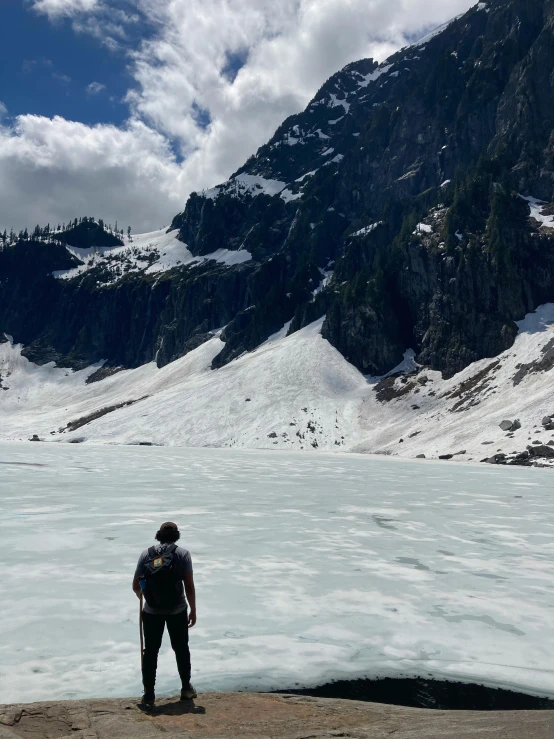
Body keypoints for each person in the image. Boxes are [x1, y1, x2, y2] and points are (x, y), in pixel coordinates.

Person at [133, 521, 197, 707]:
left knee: (151, 651)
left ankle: (149, 694)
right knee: (181, 649)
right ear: (176, 536)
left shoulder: (146, 554)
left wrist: (147, 594)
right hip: (177, 609)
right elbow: (189, 586)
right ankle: (186, 688)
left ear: (158, 535)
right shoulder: (183, 554)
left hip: (151, 612)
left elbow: (136, 586)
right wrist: (193, 609)